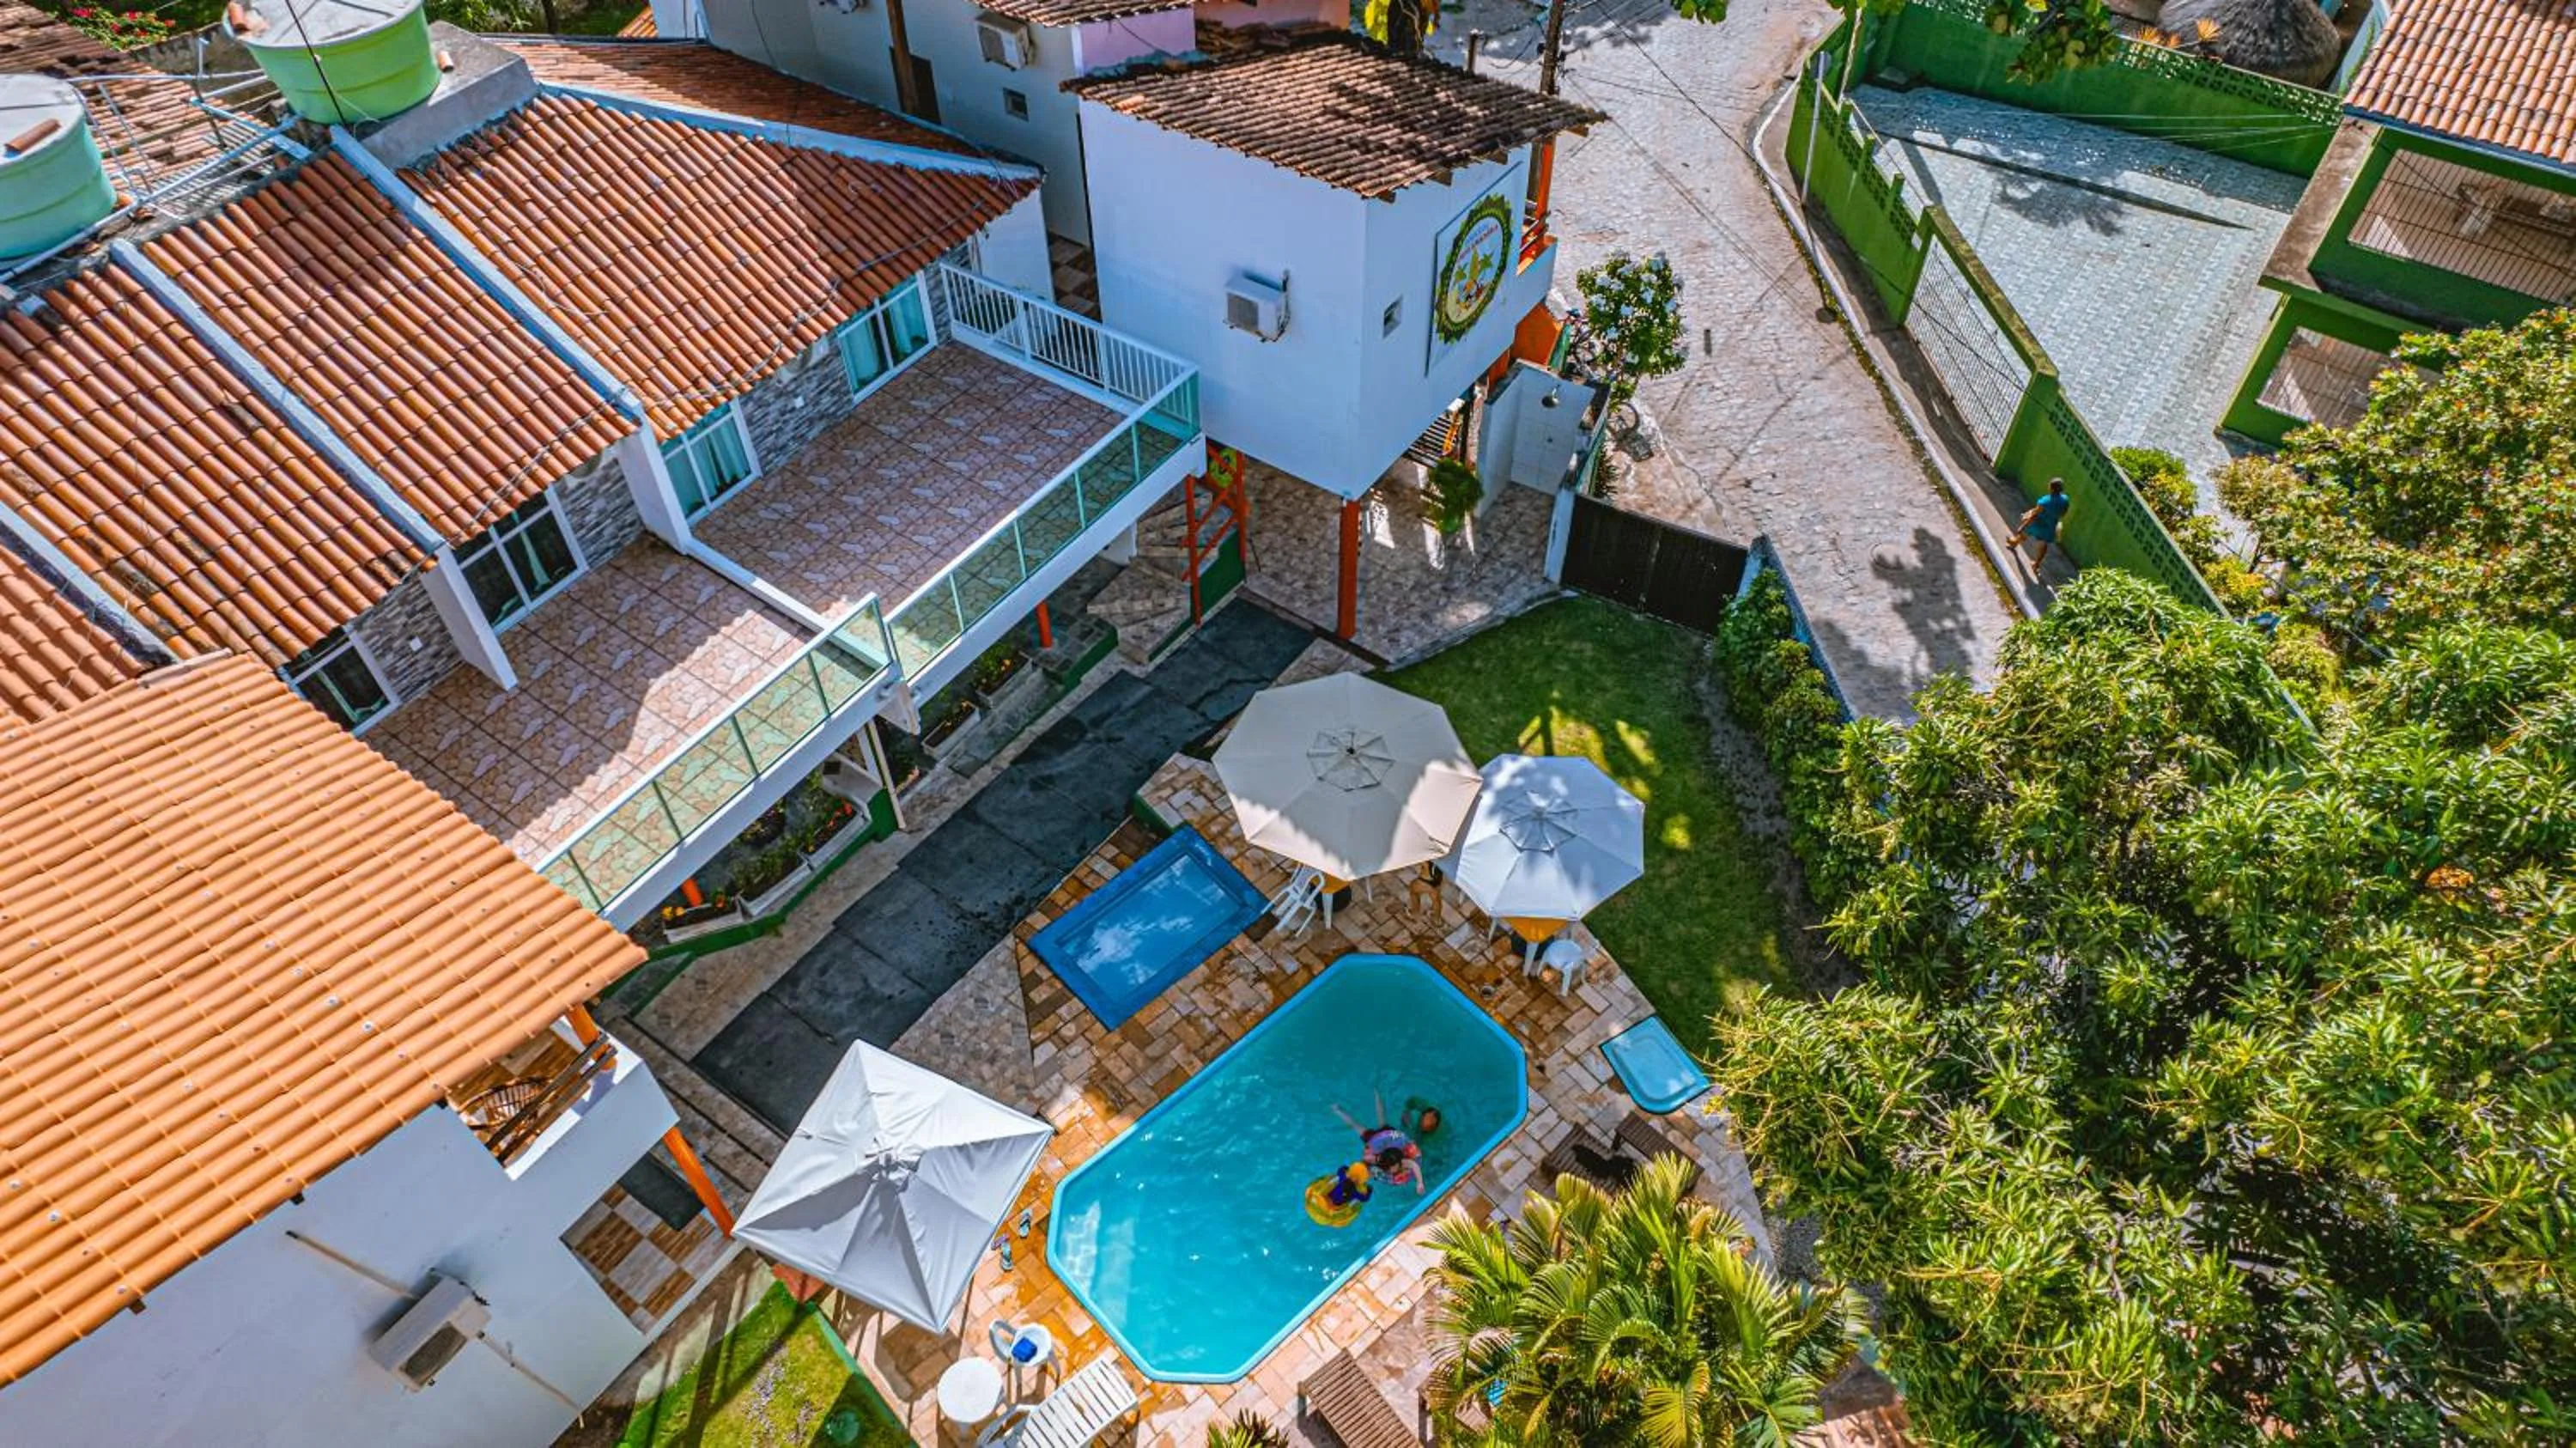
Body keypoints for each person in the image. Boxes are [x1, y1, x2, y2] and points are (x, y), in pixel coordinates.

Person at [1335, 1092, 1427, 1196]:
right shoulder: (1380, 1162)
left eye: (1391, 1169)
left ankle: (1377, 1093)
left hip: (1386, 1139)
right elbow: (1368, 1166)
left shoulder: (1402, 1162)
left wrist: (1420, 1183)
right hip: (1377, 1142)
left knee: (1380, 1118)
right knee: (1357, 1126)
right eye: (1390, 1169)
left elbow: (1414, 1165)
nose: (1391, 1171)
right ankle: (1337, 1110)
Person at [2008, 479, 2072, 569]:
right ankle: (2036, 564)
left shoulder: (2045, 501)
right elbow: (2063, 513)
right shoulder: (2065, 500)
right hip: (2050, 526)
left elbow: (2034, 515)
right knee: (2043, 546)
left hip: (2038, 522)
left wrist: (2022, 526)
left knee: (2025, 533)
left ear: (2051, 488)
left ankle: (2014, 542)